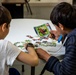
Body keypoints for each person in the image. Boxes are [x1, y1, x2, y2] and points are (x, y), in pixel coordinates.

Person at [36, 2, 76, 75]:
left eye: (55, 26)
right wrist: (62, 38)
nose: (55, 29)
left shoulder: (73, 41)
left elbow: (64, 72)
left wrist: (46, 56)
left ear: (61, 26)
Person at [0, 5, 39, 75]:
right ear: (4, 27)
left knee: (13, 71)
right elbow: (34, 61)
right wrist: (29, 46)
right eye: (9, 26)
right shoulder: (4, 45)